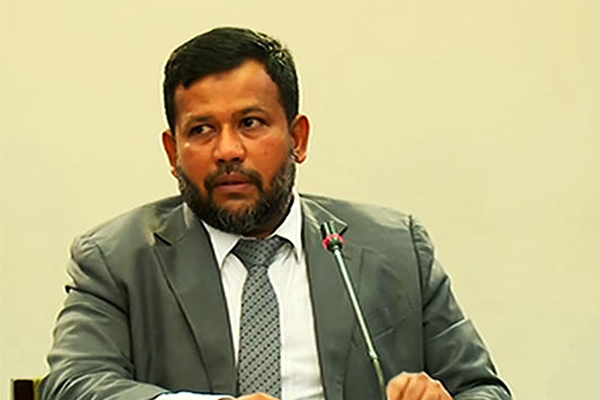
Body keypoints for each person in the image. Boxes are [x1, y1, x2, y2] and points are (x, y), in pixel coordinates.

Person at [40, 27, 512, 400]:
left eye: (250, 123)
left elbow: (482, 388)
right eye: (201, 130)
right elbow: (73, 384)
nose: (228, 150)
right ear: (172, 151)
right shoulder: (116, 259)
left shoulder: (395, 248)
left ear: (297, 138)